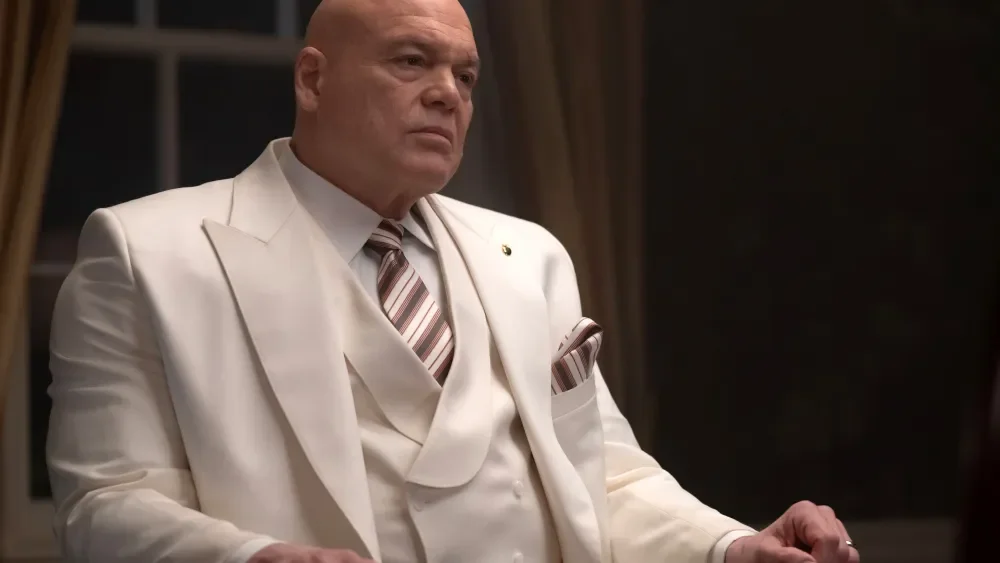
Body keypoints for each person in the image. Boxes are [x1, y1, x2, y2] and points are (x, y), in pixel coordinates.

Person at [45, 0, 860, 562]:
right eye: (411, 61)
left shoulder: (531, 256)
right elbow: (106, 503)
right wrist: (254, 556)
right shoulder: (147, 253)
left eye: (465, 77)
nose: (447, 93)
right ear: (312, 80)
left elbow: (606, 477)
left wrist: (728, 545)